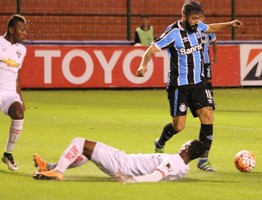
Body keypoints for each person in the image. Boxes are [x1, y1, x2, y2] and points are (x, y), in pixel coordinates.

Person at [136, 0, 242, 172]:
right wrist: (143, 65)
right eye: (193, 18)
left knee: (208, 116)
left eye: (198, 18)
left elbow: (210, 28)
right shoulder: (173, 33)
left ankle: (203, 159)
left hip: (199, 83)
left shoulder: (198, 26)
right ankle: (160, 142)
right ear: (183, 16)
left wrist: (229, 24)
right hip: (179, 86)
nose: (196, 22)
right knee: (179, 126)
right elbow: (152, 49)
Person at [33, 138, 206, 183]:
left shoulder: (173, 160)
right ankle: (48, 167)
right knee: (86, 152)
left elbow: (156, 176)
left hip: (123, 163)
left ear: (187, 148)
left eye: (186, 143)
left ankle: (58, 172)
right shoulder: (183, 168)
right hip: (124, 164)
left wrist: (131, 180)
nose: (182, 145)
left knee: (80, 142)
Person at [0, 14, 28, 171]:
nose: (25, 33)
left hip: (9, 93)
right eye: (22, 29)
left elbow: (17, 74)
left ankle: (8, 154)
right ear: (11, 29)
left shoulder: (22, 50)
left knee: (18, 113)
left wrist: (20, 98)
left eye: (26, 30)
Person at [200, 13, 218, 97]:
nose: (199, 19)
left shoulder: (209, 29)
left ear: (204, 18)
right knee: (199, 79)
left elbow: (214, 42)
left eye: (201, 17)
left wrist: (215, 56)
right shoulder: (193, 29)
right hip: (197, 60)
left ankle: (209, 96)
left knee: (208, 79)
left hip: (206, 59)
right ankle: (202, 96)